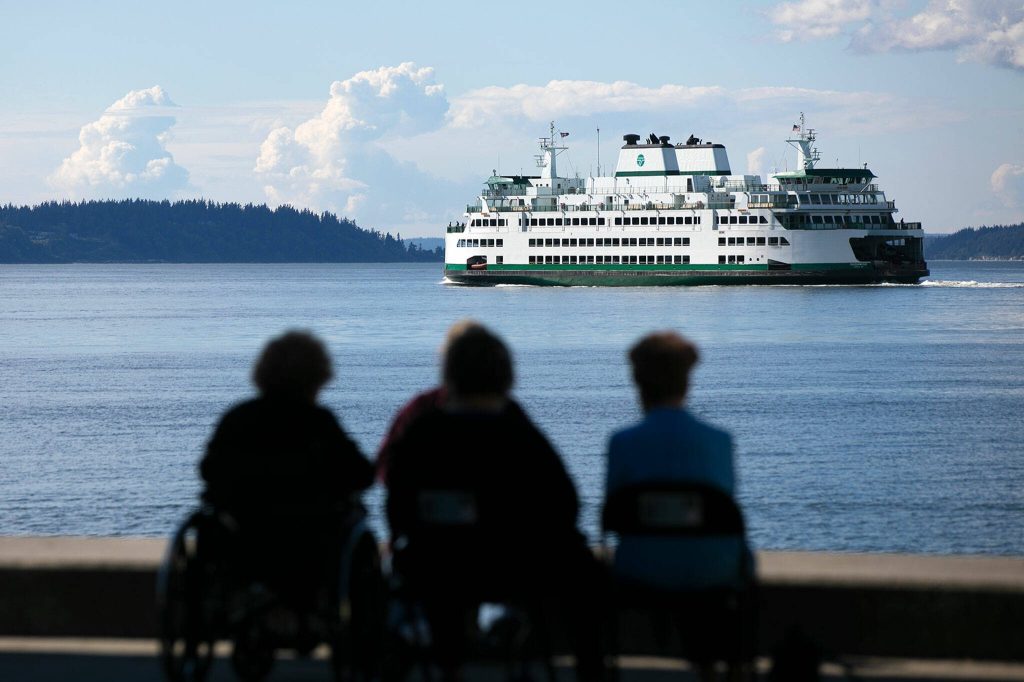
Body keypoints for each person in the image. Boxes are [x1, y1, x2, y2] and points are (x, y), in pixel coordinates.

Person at [385, 324, 605, 681]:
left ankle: (447, 661)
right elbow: (566, 506)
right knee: (584, 568)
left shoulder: (423, 433)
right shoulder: (520, 433)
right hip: (516, 567)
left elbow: (397, 508)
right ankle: (589, 669)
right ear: (506, 376)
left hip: (437, 567)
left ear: (449, 375)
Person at [606, 331, 753, 681]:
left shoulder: (622, 443)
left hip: (639, 569)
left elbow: (611, 515)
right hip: (714, 574)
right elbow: (725, 507)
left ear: (637, 382)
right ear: (688, 381)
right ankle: (714, 663)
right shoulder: (720, 441)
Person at [200, 329, 374, 606]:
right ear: (318, 376)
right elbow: (362, 474)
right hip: (312, 547)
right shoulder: (319, 423)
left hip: (245, 544)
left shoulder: (238, 418)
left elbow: (209, 471)